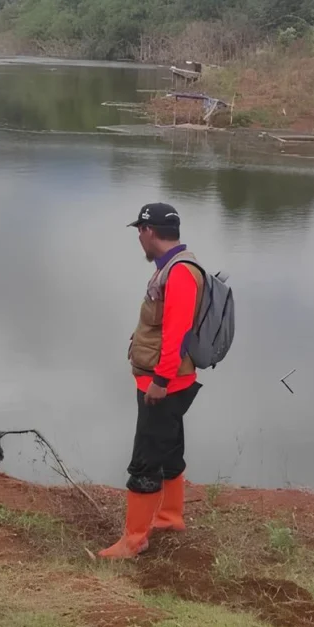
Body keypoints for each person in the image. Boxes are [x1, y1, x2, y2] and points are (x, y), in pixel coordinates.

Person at [99, 203, 205, 559]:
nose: (139, 240)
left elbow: (175, 335)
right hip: (169, 382)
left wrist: (159, 381)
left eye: (139, 233)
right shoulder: (171, 267)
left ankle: (133, 540)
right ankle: (170, 517)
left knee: (145, 460)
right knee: (170, 449)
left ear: (148, 231)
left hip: (165, 385)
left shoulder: (179, 274)